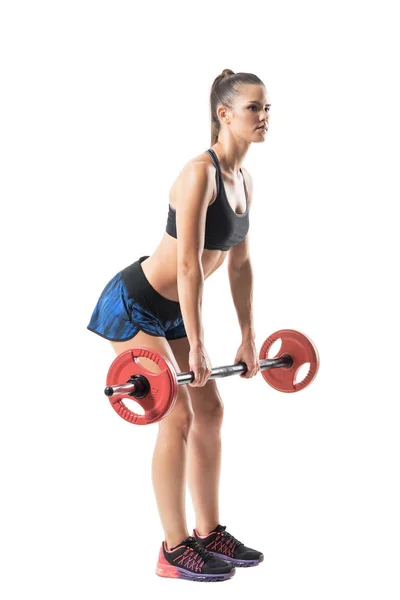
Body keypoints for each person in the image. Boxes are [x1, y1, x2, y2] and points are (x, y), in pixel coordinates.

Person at [87, 68, 270, 583]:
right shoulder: (199, 174)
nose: (264, 117)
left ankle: (209, 531)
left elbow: (239, 265)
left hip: (173, 309)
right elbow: (188, 267)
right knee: (177, 415)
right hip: (135, 301)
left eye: (267, 108)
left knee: (211, 407)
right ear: (224, 114)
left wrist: (249, 337)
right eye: (254, 108)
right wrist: (197, 347)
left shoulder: (244, 182)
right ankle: (173, 547)